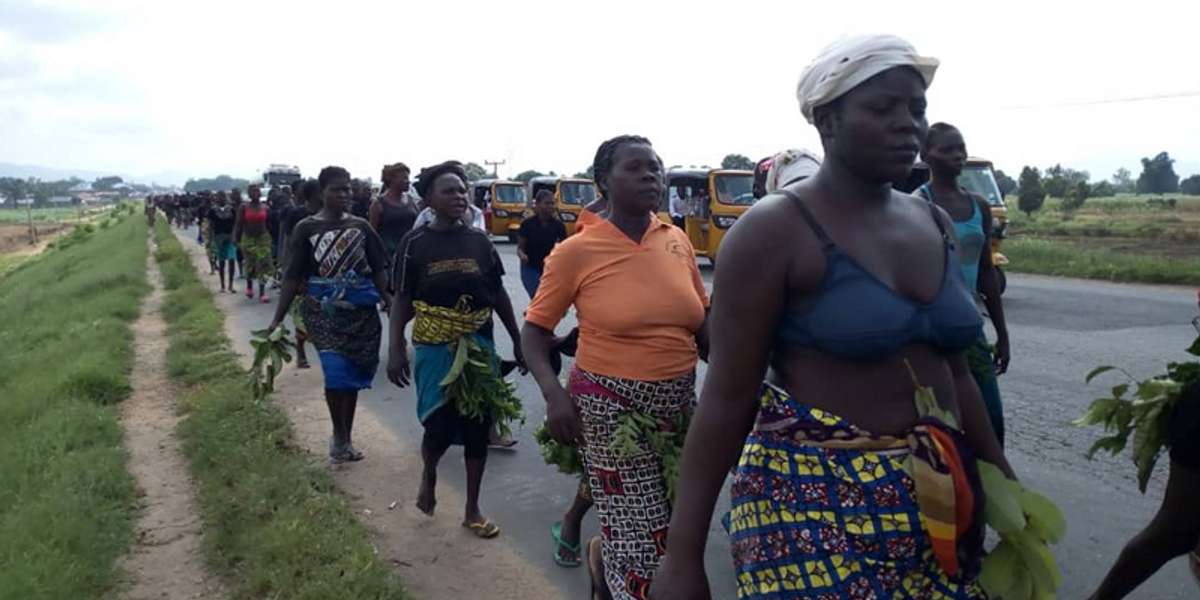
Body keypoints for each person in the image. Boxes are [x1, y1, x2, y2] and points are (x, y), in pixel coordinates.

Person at [652, 35, 1012, 600]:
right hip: (812, 507)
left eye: (917, 109)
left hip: (938, 499)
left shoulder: (935, 222)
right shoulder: (773, 232)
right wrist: (681, 557)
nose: (907, 124)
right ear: (827, 120)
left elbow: (956, 372)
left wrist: (998, 477)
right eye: (882, 107)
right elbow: (726, 395)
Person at [522, 135, 710, 600]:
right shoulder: (576, 252)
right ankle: (621, 573)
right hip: (608, 413)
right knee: (647, 547)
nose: (651, 175)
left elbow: (703, 326)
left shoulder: (677, 240)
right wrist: (554, 395)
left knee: (666, 524)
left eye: (656, 167)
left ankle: (602, 558)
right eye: (636, 167)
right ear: (603, 181)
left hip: (678, 411)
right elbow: (534, 333)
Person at [386, 161, 525, 540]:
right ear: (428, 198)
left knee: (479, 428)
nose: (459, 196)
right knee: (440, 426)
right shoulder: (414, 244)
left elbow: (496, 293)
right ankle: (429, 474)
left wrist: (517, 340)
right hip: (434, 347)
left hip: (479, 344)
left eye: (463, 190)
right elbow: (402, 298)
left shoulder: (479, 241)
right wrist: (395, 344)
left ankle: (472, 509)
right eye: (449, 190)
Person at [268, 167, 389, 463]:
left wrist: (391, 300)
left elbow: (378, 268)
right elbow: (292, 276)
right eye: (337, 189)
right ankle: (339, 436)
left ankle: (346, 435)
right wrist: (277, 317)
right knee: (335, 374)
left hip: (361, 312)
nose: (345, 195)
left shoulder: (361, 227)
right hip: (322, 312)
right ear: (322, 193)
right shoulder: (306, 228)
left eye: (347, 189)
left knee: (351, 377)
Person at [917, 123, 1012, 447]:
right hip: (930, 331)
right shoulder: (917, 204)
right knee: (945, 422)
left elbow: (986, 272)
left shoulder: (979, 206)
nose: (958, 155)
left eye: (961, 148)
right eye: (948, 149)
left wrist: (1002, 333)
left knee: (990, 419)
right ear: (926, 156)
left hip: (970, 325)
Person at [279, 179, 323, 370]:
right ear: (313, 194)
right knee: (302, 315)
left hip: (324, 271)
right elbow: (289, 244)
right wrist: (288, 271)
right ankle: (300, 350)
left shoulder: (330, 216)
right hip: (303, 272)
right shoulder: (297, 215)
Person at [517, 190, 568, 299]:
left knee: (548, 298)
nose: (551, 206)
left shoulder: (559, 226)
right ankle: (534, 314)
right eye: (547, 203)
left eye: (552, 203)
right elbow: (521, 248)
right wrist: (522, 255)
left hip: (550, 267)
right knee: (537, 296)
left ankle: (534, 314)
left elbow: (565, 248)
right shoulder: (527, 224)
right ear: (538, 205)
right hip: (530, 266)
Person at [370, 163, 420, 262]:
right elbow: (372, 235)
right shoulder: (379, 204)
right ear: (391, 179)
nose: (408, 182)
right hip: (389, 258)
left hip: (411, 254)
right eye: (405, 178)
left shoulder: (410, 201)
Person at [234, 184, 274, 302]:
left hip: (263, 239)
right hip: (248, 239)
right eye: (252, 191)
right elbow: (238, 224)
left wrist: (271, 238)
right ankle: (249, 286)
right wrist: (236, 238)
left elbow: (269, 224)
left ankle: (262, 293)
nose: (255, 193)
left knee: (263, 264)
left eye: (257, 191)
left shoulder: (265, 208)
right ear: (249, 194)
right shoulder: (243, 207)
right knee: (250, 264)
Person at [206, 191, 238, 294]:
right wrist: (210, 239)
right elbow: (210, 226)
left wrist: (234, 236)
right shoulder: (212, 211)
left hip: (230, 237)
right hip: (218, 237)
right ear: (217, 198)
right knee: (222, 261)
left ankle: (231, 285)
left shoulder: (231, 209)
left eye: (223, 197)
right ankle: (223, 285)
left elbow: (235, 224)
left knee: (232, 259)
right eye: (220, 197)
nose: (222, 199)